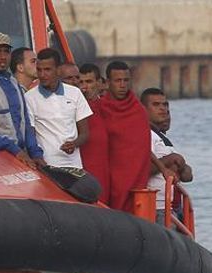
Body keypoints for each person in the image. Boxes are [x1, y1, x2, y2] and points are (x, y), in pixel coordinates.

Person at [0, 33, 45, 169]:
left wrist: (35, 153)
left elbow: (25, 122)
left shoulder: (13, 82)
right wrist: (13, 149)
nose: (3, 57)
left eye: (6, 51)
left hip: (18, 157)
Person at [23, 49, 92, 169]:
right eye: (39, 70)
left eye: (47, 69)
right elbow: (30, 134)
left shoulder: (75, 93)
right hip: (47, 166)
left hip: (75, 166)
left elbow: (85, 133)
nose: (42, 75)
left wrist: (74, 144)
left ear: (58, 70)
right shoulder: (29, 97)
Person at [97, 60, 151, 212]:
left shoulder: (138, 111)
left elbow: (143, 149)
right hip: (108, 176)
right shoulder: (100, 108)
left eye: (126, 80)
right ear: (108, 82)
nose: (122, 85)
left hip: (135, 178)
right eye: (118, 81)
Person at [141, 87, 193, 223]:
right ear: (143, 109)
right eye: (156, 105)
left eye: (165, 105)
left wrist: (181, 165)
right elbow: (142, 169)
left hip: (172, 207)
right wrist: (170, 160)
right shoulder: (145, 134)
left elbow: (187, 176)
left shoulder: (162, 138)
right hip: (157, 207)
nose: (163, 109)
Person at [77, 62, 111, 203]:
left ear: (99, 83)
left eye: (89, 82)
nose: (84, 87)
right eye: (81, 82)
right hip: (81, 168)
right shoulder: (72, 109)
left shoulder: (108, 108)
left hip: (104, 170)